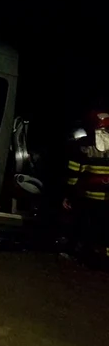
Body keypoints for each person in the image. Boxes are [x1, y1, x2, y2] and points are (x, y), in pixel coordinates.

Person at [64, 111, 109, 268]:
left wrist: (69, 194)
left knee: (87, 225)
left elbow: (74, 172)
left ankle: (86, 255)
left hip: (89, 196)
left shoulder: (83, 145)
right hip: (106, 197)